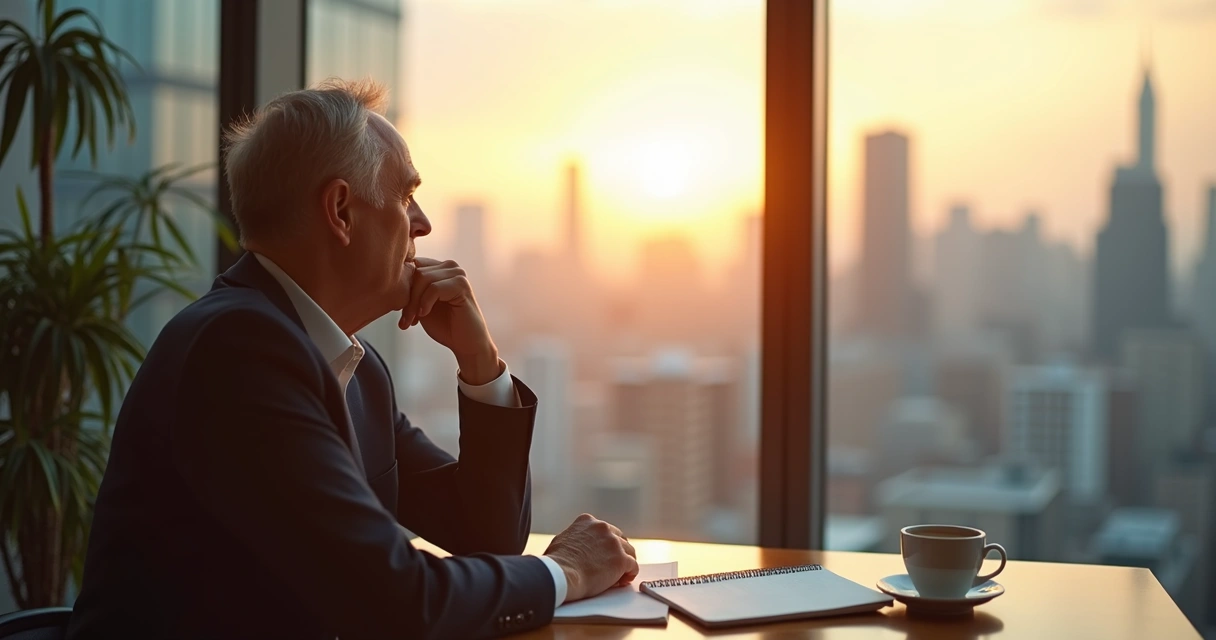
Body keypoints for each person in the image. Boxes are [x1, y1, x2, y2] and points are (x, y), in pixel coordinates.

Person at [66, 79, 638, 640]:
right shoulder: (236, 351)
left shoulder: (356, 370)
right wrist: (569, 570)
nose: (423, 224)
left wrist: (480, 359)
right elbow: (399, 601)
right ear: (341, 210)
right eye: (406, 196)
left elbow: (485, 535)